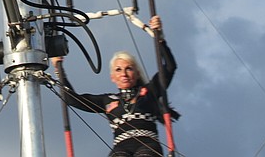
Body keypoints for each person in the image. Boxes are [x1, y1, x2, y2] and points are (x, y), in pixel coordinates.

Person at [51, 16, 178, 157]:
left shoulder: (149, 91)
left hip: (148, 146)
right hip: (121, 149)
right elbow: (72, 99)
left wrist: (159, 38)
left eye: (128, 68)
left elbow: (170, 67)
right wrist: (58, 68)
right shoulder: (108, 101)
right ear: (112, 77)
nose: (124, 73)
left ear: (136, 74)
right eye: (118, 69)